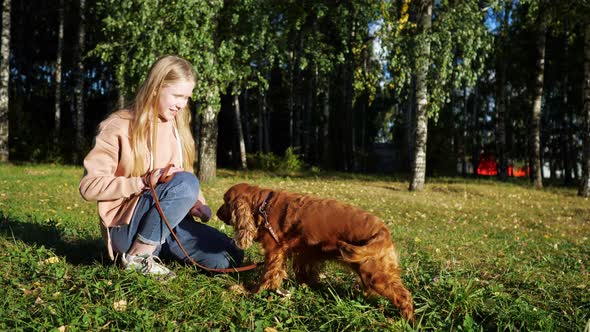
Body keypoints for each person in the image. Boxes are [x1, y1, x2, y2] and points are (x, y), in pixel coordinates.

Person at [79, 55, 243, 278]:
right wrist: (142, 182)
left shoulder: (178, 128)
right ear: (155, 88)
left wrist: (197, 203)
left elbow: (183, 181)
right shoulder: (117, 125)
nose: (182, 104)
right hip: (127, 227)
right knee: (186, 183)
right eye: (177, 96)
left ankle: (158, 251)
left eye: (187, 97)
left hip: (169, 224)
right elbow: (89, 187)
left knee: (229, 256)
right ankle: (139, 256)